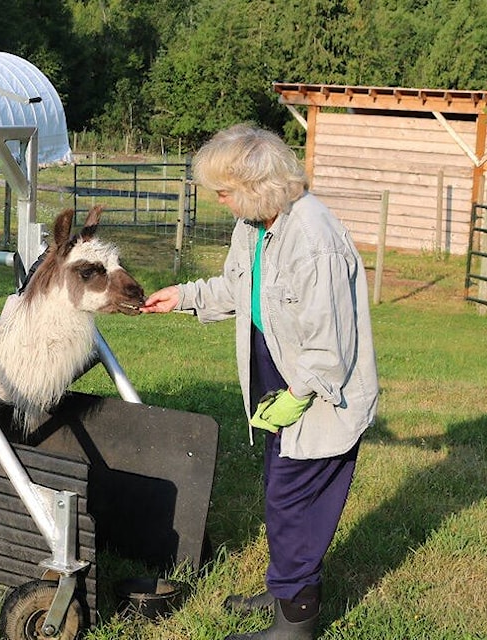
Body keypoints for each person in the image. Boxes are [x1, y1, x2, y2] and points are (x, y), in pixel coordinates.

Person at [142, 123, 379, 640]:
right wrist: (183, 296)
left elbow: (329, 339)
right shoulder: (254, 226)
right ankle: (282, 591)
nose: (220, 201)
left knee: (293, 501)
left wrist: (299, 396)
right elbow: (236, 287)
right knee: (278, 486)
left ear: (256, 186)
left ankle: (296, 622)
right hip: (277, 374)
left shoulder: (314, 239)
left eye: (224, 191)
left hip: (318, 392)